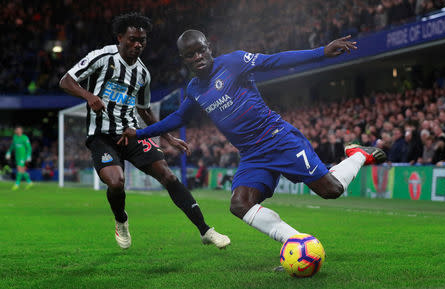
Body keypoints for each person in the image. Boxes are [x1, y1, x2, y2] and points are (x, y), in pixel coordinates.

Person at [119, 30, 386, 250]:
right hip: (252, 155)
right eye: (190, 55)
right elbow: (179, 117)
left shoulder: (233, 62)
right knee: (240, 204)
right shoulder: (194, 89)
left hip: (278, 139)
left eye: (200, 50)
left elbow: (275, 61)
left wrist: (320, 52)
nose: (197, 57)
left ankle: (359, 155)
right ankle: (298, 244)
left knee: (332, 190)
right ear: (184, 59)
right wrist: (140, 132)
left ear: (209, 47)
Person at [59, 14, 229, 250]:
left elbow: (145, 111)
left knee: (168, 176)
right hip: (101, 136)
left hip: (131, 133)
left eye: (142, 40)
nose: (137, 44)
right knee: (117, 182)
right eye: (132, 39)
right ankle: (121, 220)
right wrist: (89, 96)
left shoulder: (142, 74)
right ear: (120, 38)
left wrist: (169, 138)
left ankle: (205, 230)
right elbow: (66, 81)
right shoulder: (101, 57)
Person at [5, 126, 33, 190]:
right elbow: (13, 145)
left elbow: (29, 147)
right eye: (16, 130)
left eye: (17, 130)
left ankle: (17, 184)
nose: (16, 131)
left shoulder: (25, 138)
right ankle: (29, 182)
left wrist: (28, 156)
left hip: (23, 156)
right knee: (22, 170)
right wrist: (9, 152)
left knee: (19, 168)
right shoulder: (15, 137)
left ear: (21, 131)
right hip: (17, 156)